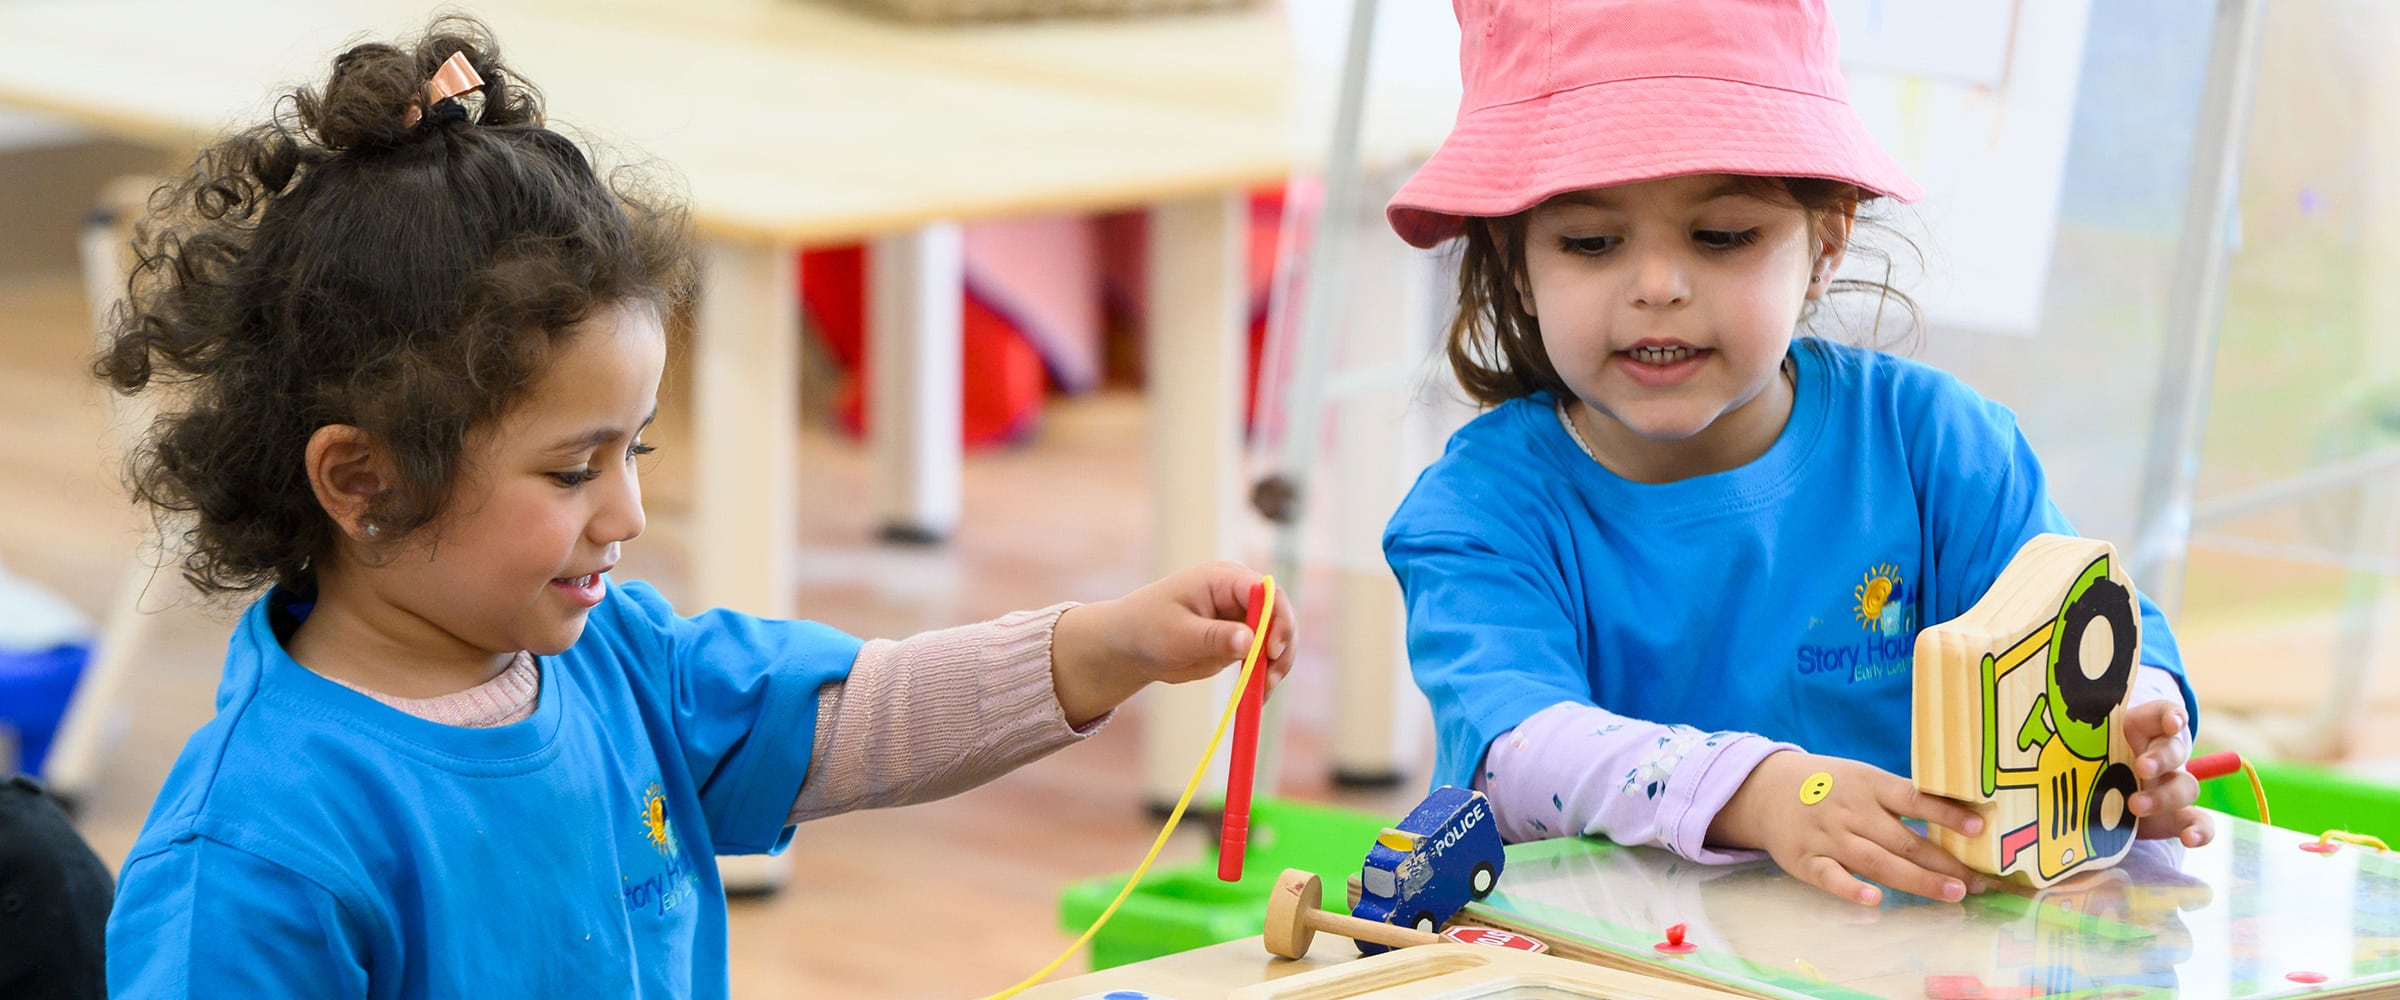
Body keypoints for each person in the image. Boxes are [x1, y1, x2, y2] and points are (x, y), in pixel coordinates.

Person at [95, 19, 1293, 997]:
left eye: (637, 450)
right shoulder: (253, 852)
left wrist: (1110, 643)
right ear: (364, 481)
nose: (626, 513)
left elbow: (858, 718)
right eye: (572, 470)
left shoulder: (617, 656)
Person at [1379, 0, 2206, 907]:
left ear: (1826, 238)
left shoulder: (1937, 447)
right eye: (1590, 241)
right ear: (1514, 251)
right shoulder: (1479, 511)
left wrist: (2137, 728)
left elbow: (2095, 636)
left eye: (1722, 235)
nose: (1659, 286)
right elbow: (1518, 757)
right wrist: (1762, 791)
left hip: (1913, 962)